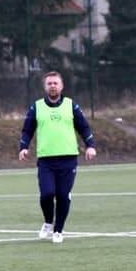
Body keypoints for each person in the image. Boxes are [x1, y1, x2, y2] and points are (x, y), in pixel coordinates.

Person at [17, 71, 97, 244]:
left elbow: (84, 127)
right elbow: (27, 130)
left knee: (63, 195)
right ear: (45, 87)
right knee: (47, 194)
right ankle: (48, 221)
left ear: (62, 86)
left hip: (68, 159)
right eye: (49, 83)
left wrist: (90, 146)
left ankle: (58, 231)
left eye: (55, 83)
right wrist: (23, 148)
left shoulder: (71, 106)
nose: (52, 86)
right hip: (46, 160)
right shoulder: (36, 107)